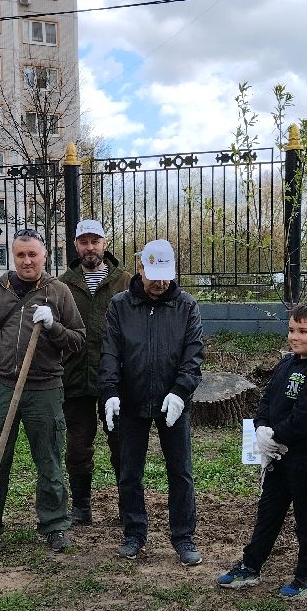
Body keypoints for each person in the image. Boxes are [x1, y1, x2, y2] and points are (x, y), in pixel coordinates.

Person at [0, 228, 85, 553]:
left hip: (44, 389)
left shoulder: (58, 292)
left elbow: (77, 340)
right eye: (21, 254)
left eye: (33, 254)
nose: (27, 260)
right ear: (13, 256)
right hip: (1, 385)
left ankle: (54, 524)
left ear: (44, 256)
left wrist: (54, 326)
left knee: (49, 458)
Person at [216, 302, 307, 597]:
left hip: (305, 458)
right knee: (268, 512)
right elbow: (267, 399)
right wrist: (261, 428)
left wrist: (278, 436)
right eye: (291, 330)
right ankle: (250, 566)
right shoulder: (287, 363)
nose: (295, 337)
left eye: (303, 331)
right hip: (277, 458)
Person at [99, 238, 204, 565]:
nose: (160, 283)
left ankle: (183, 536)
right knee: (130, 470)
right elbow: (110, 353)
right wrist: (110, 392)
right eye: (153, 274)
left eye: (166, 275)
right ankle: (134, 533)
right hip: (132, 400)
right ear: (140, 267)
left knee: (180, 470)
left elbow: (193, 355)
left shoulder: (186, 306)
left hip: (173, 401)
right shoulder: (120, 305)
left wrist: (180, 391)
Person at [59, 219, 131, 525]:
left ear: (105, 243)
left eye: (95, 241)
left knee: (120, 442)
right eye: (84, 242)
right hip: (74, 375)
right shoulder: (63, 284)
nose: (90, 247)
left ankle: (128, 503)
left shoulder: (124, 281)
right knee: (77, 443)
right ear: (76, 246)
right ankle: (81, 505)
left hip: (115, 376)